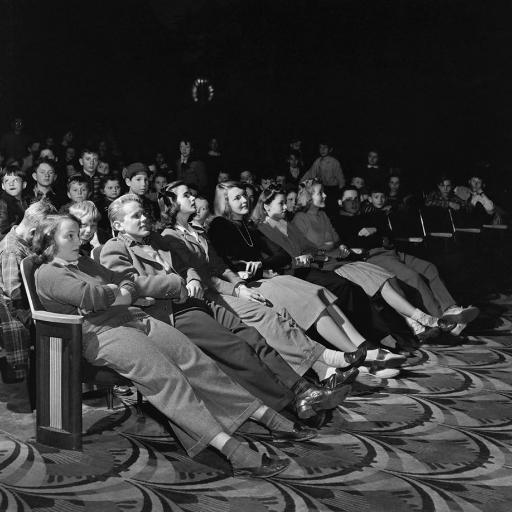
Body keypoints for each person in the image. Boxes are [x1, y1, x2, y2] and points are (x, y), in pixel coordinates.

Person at [32, 213, 304, 478]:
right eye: (70, 235)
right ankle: (234, 452)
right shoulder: (47, 273)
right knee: (170, 380)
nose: (79, 240)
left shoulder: (84, 264)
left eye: (77, 234)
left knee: (197, 362)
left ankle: (267, 416)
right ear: (49, 241)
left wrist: (120, 293)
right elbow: (92, 296)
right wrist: (120, 293)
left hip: (134, 317)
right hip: (103, 335)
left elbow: (126, 284)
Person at [101, 194, 349, 420]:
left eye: (143, 213)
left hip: (196, 300)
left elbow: (187, 267)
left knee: (252, 337)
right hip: (169, 313)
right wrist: (177, 283)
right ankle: (292, 403)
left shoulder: (157, 240)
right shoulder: (114, 247)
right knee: (236, 349)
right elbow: (130, 283)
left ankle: (302, 388)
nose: (144, 218)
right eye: (136, 216)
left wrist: (193, 278)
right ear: (119, 225)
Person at [159, 181, 361, 389]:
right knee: (266, 316)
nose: (193, 198)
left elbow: (220, 266)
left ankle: (324, 370)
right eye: (186, 196)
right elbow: (203, 276)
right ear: (173, 204)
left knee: (279, 309)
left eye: (192, 194)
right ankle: (326, 358)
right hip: (210, 296)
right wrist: (236, 290)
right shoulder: (170, 237)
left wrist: (240, 285)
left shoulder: (196, 231)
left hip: (227, 288)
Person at [209, 182, 381, 363]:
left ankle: (362, 345)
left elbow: (282, 255)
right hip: (248, 285)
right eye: (237, 198)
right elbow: (226, 264)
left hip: (267, 278)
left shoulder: (248, 227)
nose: (245, 200)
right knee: (310, 297)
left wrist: (260, 264)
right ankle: (355, 354)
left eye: (245, 195)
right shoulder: (219, 225)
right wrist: (253, 268)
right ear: (225, 202)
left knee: (317, 292)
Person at [292, 180, 460, 340]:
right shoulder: (312, 219)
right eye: (320, 193)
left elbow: (337, 240)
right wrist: (337, 247)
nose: (324, 196)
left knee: (426, 269)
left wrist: (342, 245)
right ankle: (434, 319)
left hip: (360, 255)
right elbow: (311, 249)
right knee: (406, 277)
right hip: (345, 260)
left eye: (356, 199)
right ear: (309, 196)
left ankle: (446, 311)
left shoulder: (324, 215)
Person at [336, 186, 479, 335]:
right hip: (373, 257)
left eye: (356, 199)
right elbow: (353, 243)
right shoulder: (339, 221)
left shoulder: (368, 215)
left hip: (391, 251)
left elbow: (388, 235)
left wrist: (376, 231)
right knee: (412, 277)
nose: (353, 203)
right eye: (348, 200)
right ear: (340, 202)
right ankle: (440, 319)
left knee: (429, 268)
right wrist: (376, 236)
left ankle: (450, 309)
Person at [0, 201, 56, 410]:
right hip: (13, 310)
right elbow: (13, 292)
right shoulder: (11, 250)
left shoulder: (25, 241)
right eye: (44, 235)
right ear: (34, 231)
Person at [0, 166, 28, 240]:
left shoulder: (27, 201)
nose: (11, 184)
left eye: (15, 180)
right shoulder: (2, 203)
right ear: (3, 186)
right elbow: (2, 232)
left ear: (24, 184)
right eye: (7, 181)